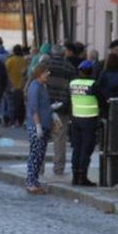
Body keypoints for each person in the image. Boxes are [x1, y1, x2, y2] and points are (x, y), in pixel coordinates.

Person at [46, 44, 80, 176]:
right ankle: (58, 168)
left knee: (42, 136)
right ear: (64, 54)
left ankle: (40, 166)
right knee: (59, 138)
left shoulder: (46, 65)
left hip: (45, 106)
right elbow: (73, 88)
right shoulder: (69, 68)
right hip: (62, 107)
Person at [68, 59, 101, 187]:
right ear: (91, 71)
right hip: (89, 119)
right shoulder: (93, 84)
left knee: (77, 148)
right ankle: (82, 177)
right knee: (86, 149)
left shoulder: (73, 83)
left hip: (76, 119)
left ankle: (75, 176)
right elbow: (102, 100)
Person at [25, 61, 54, 194]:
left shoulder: (42, 86)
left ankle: (34, 181)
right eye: (45, 72)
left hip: (44, 123)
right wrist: (37, 125)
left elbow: (43, 105)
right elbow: (34, 108)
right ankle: (31, 182)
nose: (47, 74)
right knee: (35, 155)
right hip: (37, 125)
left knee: (40, 155)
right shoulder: (35, 87)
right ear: (39, 74)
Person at [4, 45, 29, 126]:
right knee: (20, 104)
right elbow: (26, 74)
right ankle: (19, 120)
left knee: (11, 104)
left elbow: (4, 72)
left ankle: (11, 120)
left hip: (11, 86)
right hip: (21, 86)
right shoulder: (24, 61)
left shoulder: (10, 61)